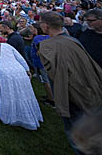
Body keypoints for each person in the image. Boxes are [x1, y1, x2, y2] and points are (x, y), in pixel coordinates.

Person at [38, 11, 102, 154]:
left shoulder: (47, 46)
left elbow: (57, 76)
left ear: (46, 26)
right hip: (89, 89)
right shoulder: (74, 40)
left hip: (72, 96)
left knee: (79, 136)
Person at [0, 33, 43, 130]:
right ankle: (29, 114)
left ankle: (11, 115)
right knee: (25, 92)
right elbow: (20, 58)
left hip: (4, 72)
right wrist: (27, 69)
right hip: (18, 70)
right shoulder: (7, 46)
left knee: (8, 93)